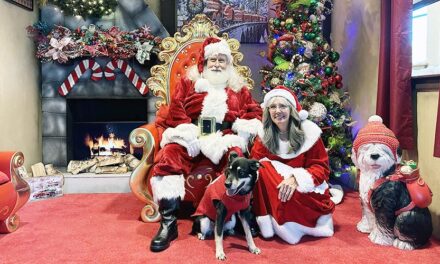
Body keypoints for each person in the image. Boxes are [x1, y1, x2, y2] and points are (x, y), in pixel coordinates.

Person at [149, 37, 263, 252]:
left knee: (236, 157)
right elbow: (176, 108)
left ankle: (234, 216)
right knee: (170, 155)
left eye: (222, 60)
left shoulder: (239, 88)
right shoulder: (189, 82)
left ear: (229, 64)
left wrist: (242, 125)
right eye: (213, 60)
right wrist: (187, 132)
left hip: (224, 135)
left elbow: (254, 112)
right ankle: (168, 223)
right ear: (204, 62)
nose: (217, 64)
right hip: (191, 133)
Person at [250, 85, 336, 244]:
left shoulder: (309, 132)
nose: (277, 111)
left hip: (305, 188)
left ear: (292, 109)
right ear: (268, 111)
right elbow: (254, 165)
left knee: (285, 189)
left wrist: (296, 178)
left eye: (282, 106)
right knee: (261, 168)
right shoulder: (264, 135)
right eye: (273, 107)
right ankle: (271, 219)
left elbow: (321, 169)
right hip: (274, 189)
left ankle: (292, 223)